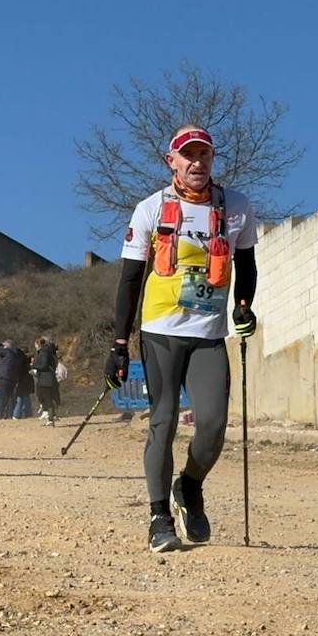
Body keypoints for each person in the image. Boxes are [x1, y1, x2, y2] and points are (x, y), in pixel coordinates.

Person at [105, 124, 258, 553]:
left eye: (204, 155)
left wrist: (244, 306)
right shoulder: (150, 209)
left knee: (211, 425)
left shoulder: (237, 207)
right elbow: (130, 279)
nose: (197, 163)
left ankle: (189, 486)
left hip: (209, 333)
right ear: (171, 161)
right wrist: (119, 344)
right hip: (160, 330)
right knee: (164, 420)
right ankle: (159, 518)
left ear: (212, 160)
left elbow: (246, 267)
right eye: (187, 156)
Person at [0, 340, 24, 419]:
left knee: (2, 397)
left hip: (4, 377)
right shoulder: (17, 354)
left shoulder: (7, 352)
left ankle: (0, 415)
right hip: (13, 378)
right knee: (10, 398)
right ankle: (9, 415)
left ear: (7, 346)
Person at [33, 336, 61, 426]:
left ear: (39, 344)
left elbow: (44, 365)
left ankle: (50, 418)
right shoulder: (49, 351)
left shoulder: (44, 352)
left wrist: (34, 367)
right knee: (47, 397)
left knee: (47, 398)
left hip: (46, 378)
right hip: (49, 378)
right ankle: (51, 416)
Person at [13, 347, 34, 419]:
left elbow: (18, 371)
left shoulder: (21, 360)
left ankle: (16, 414)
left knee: (20, 399)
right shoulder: (27, 359)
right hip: (27, 381)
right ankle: (28, 414)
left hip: (22, 381)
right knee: (26, 398)